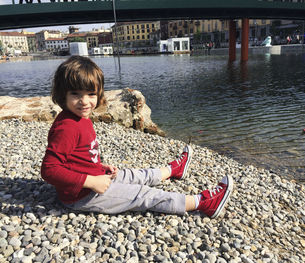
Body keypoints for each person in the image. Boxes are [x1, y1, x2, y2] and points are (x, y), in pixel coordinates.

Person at [41, 56, 233, 219]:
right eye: (76, 94)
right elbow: (49, 170)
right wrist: (91, 181)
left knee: (132, 175)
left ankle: (171, 171)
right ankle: (201, 203)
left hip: (93, 179)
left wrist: (99, 168)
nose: (84, 101)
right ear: (62, 94)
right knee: (143, 195)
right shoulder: (66, 127)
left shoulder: (80, 119)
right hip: (82, 196)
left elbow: (78, 158)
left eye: (91, 94)